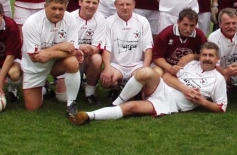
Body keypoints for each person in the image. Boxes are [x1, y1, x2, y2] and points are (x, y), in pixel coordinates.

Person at [69, 42, 228, 125]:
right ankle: (115, 103)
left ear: (217, 59)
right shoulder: (191, 64)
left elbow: (221, 108)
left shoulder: (218, 79)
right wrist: (184, 88)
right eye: (204, 55)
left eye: (211, 56)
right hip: (162, 87)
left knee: (131, 107)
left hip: (170, 104)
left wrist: (201, 102)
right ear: (200, 56)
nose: (207, 58)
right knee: (145, 72)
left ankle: (88, 116)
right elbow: (167, 76)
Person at [21, 0, 81, 115]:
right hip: (35, 67)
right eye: (53, 8)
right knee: (33, 108)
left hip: (56, 63)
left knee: (73, 62)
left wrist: (49, 54)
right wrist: (61, 46)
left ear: (66, 8)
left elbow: (73, 51)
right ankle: (44, 87)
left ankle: (71, 103)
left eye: (61, 9)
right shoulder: (31, 23)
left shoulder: (70, 20)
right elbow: (35, 58)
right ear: (45, 6)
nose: (57, 12)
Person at [96, 0, 153, 100]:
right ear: (115, 5)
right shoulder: (108, 22)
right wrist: (107, 68)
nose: (125, 7)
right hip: (117, 66)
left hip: (137, 65)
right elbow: (106, 49)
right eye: (121, 4)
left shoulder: (143, 21)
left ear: (134, 4)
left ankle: (135, 91)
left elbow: (148, 48)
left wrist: (145, 69)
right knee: (105, 81)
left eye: (128, 4)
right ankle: (116, 88)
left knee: (146, 77)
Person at [72, 0, 106, 105]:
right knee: (62, 98)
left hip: (88, 57)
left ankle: (90, 92)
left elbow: (96, 47)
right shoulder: (70, 18)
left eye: (94, 3)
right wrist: (79, 47)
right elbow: (66, 44)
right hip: (71, 56)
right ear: (80, 2)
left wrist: (83, 48)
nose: (91, 6)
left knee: (97, 59)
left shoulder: (100, 19)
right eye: (88, 2)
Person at [152, 8, 207, 76]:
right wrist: (170, 68)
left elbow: (206, 54)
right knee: (157, 73)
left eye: (192, 25)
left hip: (189, 67)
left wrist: (192, 56)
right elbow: (156, 57)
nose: (188, 29)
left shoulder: (199, 35)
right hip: (166, 65)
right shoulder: (166, 33)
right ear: (178, 22)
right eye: (185, 25)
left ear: (196, 24)